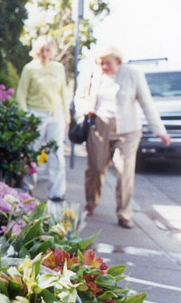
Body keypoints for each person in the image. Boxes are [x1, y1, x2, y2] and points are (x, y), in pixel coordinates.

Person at [74, 45, 172, 228]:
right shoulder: (94, 74)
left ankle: (124, 213)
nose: (104, 67)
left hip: (128, 131)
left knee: (124, 172)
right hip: (99, 127)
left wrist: (160, 131)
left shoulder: (134, 74)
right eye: (100, 63)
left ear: (118, 61)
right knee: (95, 168)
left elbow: (146, 103)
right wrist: (84, 107)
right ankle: (91, 201)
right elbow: (79, 97)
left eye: (107, 63)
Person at [16, 35, 68, 202]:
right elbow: (21, 94)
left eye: (48, 50)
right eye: (42, 50)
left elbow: (63, 94)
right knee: (31, 152)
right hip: (35, 114)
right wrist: (26, 117)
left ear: (52, 51)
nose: (45, 53)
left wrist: (66, 117)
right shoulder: (30, 68)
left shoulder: (59, 68)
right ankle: (27, 189)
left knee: (57, 153)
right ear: (37, 51)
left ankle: (56, 192)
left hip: (56, 114)